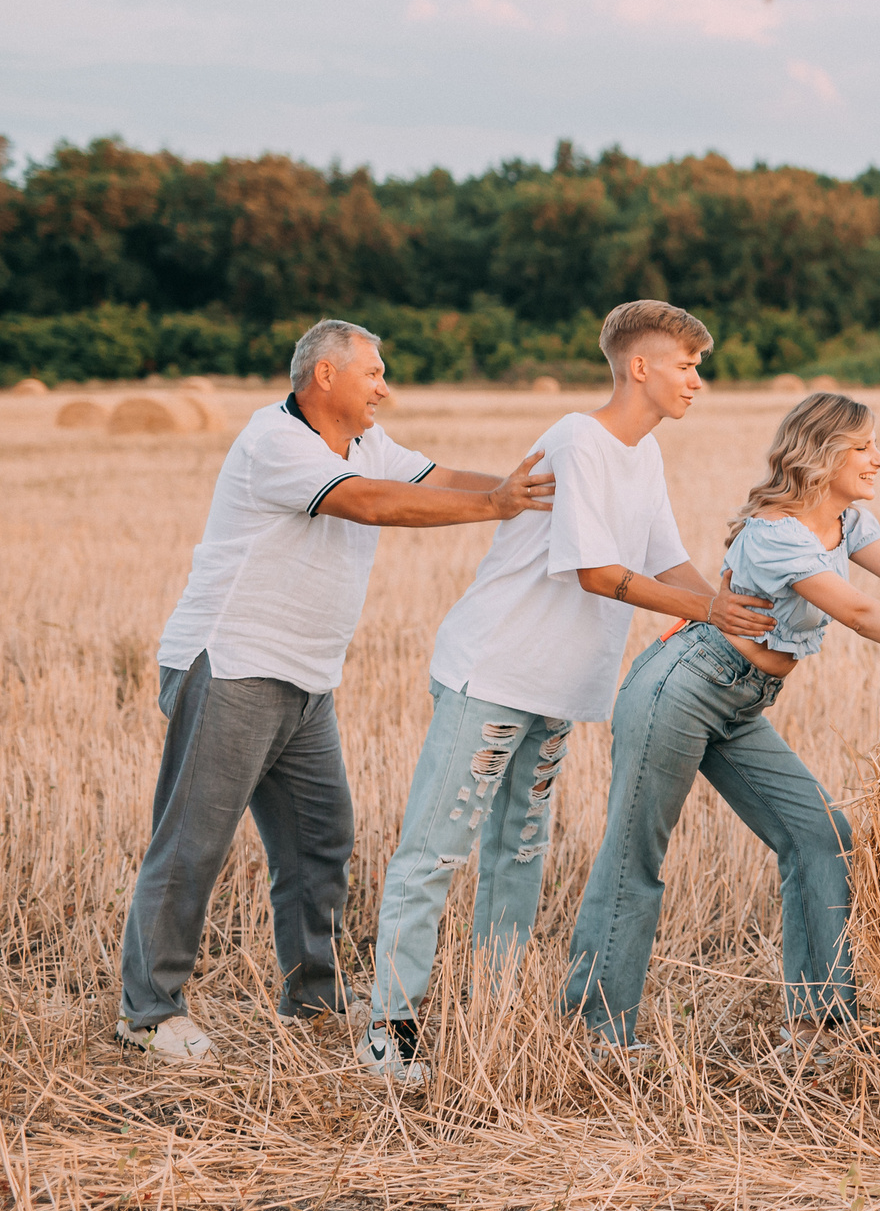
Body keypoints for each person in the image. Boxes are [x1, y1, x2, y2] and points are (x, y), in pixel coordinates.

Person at [357, 301, 779, 1085]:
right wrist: (710, 611)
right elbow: (597, 573)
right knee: (434, 852)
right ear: (641, 366)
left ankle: (495, 1012)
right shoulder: (579, 440)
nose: (699, 382)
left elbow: (668, 562)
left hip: (556, 686)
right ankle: (389, 1028)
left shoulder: (642, 457)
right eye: (687, 366)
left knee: (519, 852)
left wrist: (743, 624)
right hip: (494, 671)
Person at [117, 320, 554, 1063]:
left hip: (307, 676)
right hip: (232, 664)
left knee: (321, 840)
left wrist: (536, 490)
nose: (386, 387)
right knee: (194, 841)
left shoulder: (366, 443)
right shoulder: (274, 443)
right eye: (374, 373)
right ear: (325, 376)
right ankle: (149, 1012)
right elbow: (373, 505)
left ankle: (312, 996)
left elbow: (439, 479)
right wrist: (500, 506)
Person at [561, 392, 880, 1058]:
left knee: (822, 837)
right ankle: (599, 1034)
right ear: (823, 456)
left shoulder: (846, 521)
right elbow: (861, 612)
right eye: (864, 447)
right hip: (682, 688)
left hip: (739, 701)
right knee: (635, 854)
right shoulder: (775, 534)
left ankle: (815, 1029)